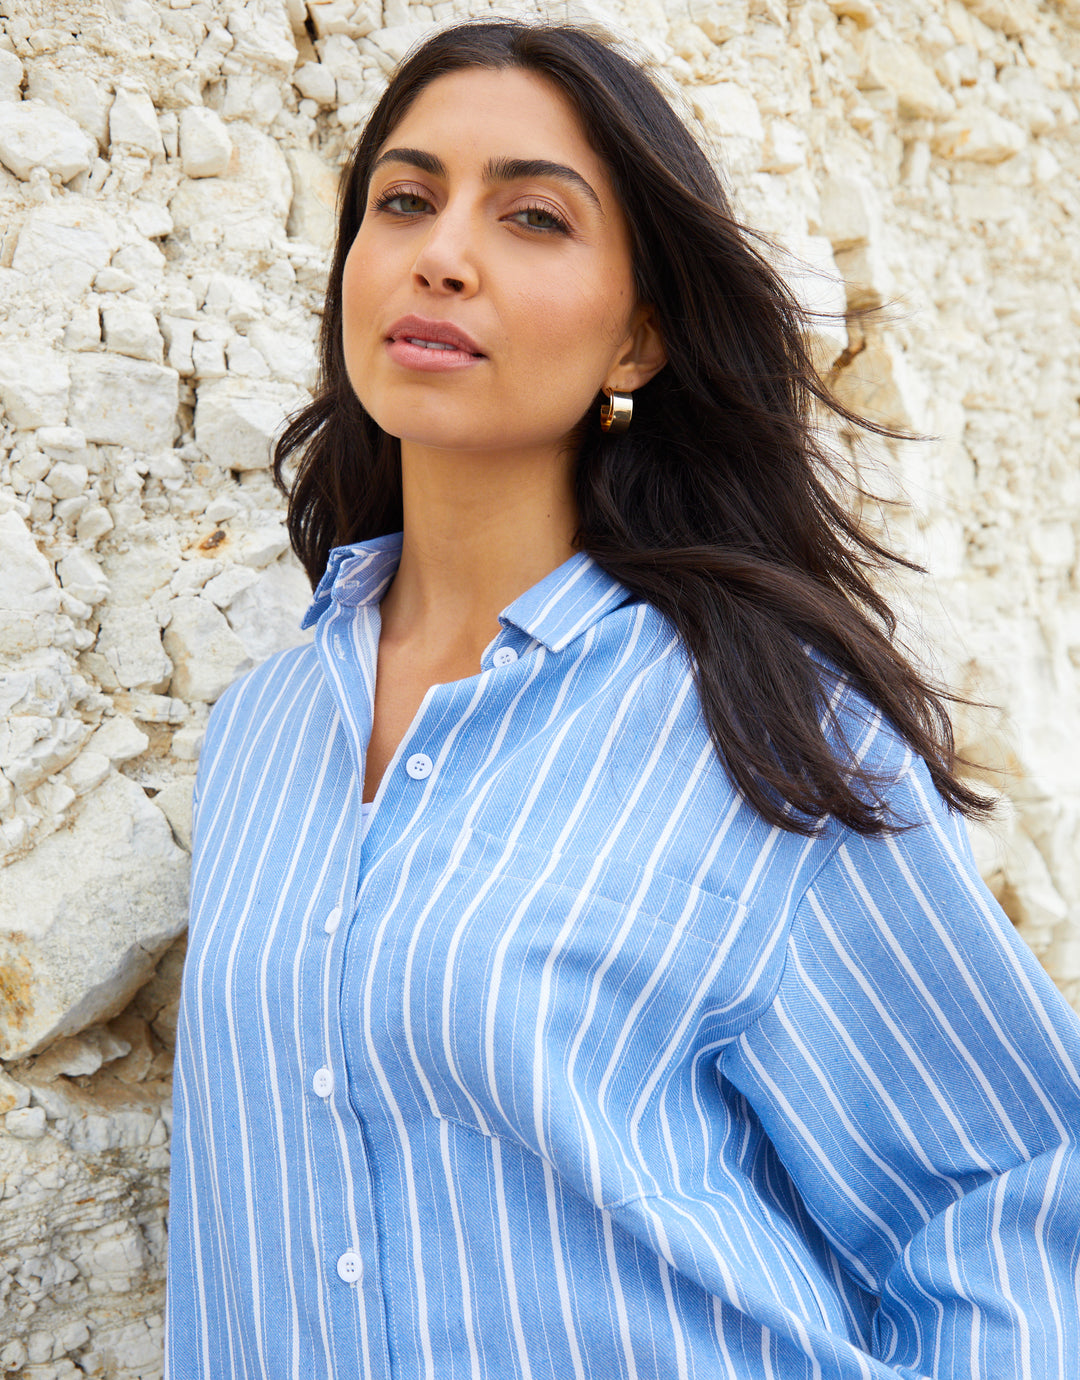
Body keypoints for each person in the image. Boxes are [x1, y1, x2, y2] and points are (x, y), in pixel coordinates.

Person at [165, 19, 1080, 1380]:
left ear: (640, 338)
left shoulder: (761, 722)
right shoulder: (259, 740)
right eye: (403, 200)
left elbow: (1009, 1191)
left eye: (531, 216)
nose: (442, 252)